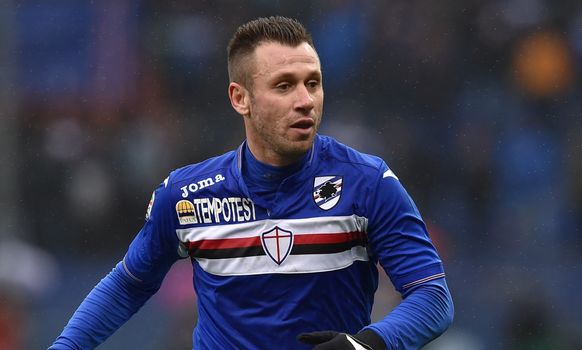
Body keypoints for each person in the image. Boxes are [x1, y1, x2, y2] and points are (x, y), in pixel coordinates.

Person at [49, 16, 453, 350]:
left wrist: (368, 344)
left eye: (312, 83)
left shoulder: (368, 183)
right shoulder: (187, 195)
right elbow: (127, 285)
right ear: (240, 98)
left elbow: (433, 297)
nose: (305, 100)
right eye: (284, 85)